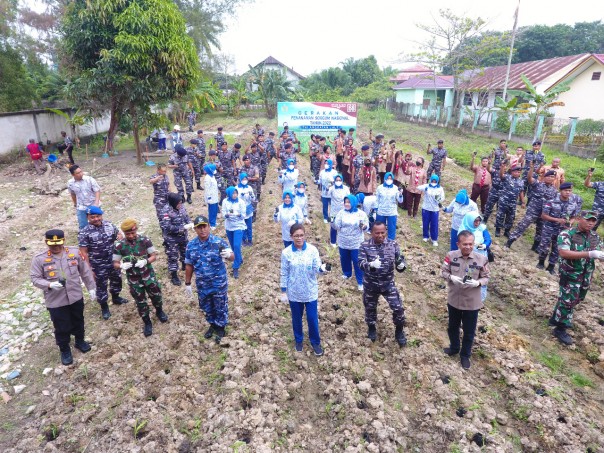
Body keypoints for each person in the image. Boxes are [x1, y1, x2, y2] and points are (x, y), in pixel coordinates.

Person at [30, 229, 96, 365]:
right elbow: (35, 278)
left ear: (63, 241)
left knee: (78, 319)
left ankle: (79, 341)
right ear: (47, 243)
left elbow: (85, 271)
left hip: (75, 295)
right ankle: (64, 349)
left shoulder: (74, 252)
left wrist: (91, 288)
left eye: (59, 244)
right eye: (52, 244)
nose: (56, 247)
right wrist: (49, 284)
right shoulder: (39, 259)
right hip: (56, 301)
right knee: (62, 326)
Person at [548, 211, 603, 345]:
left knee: (577, 298)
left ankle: (556, 318)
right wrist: (589, 254)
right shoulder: (567, 234)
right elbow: (564, 252)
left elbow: (600, 251)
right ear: (579, 219)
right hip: (570, 273)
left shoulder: (595, 236)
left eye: (593, 221)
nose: (590, 223)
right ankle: (560, 328)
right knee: (568, 300)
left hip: (586, 274)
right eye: (587, 220)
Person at [441, 230, 490, 370]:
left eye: (470, 244)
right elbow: (443, 271)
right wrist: (450, 277)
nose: (468, 247)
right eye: (465, 244)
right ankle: (454, 348)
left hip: (471, 302)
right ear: (458, 244)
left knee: (469, 331)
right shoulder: (451, 256)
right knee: (452, 327)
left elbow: (486, 277)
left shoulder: (481, 259)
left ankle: (465, 355)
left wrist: (478, 283)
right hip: (454, 299)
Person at [279, 224, 329, 355]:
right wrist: (283, 290)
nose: (299, 238)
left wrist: (322, 269)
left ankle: (315, 342)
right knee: (297, 318)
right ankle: (299, 340)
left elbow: (316, 267)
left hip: (310, 290)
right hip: (294, 292)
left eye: (301, 235)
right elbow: (284, 272)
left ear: (305, 235)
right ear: (291, 237)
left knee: (312, 318)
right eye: (296, 236)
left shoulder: (312, 250)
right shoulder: (286, 253)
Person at [113, 219, 168, 337]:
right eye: (128, 234)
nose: (131, 236)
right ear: (124, 233)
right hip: (134, 279)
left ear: (136, 230)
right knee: (140, 301)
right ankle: (147, 322)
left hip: (148, 275)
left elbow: (154, 256)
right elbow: (115, 263)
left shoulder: (145, 240)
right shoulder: (119, 245)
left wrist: (146, 261)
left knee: (156, 295)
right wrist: (122, 265)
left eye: (133, 233)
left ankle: (159, 311)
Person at [185, 215, 235, 344]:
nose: (202, 230)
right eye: (199, 228)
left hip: (218, 283)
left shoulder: (219, 242)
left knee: (220, 305)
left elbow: (233, 257)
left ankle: (220, 327)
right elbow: (189, 265)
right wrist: (187, 283)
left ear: (209, 226)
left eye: (204, 226)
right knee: (206, 306)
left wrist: (229, 255)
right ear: (195, 229)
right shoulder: (191, 245)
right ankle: (212, 324)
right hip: (202, 284)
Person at [358, 221, 408, 346]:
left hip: (388, 284)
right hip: (371, 285)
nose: (380, 235)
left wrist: (401, 265)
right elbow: (360, 264)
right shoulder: (364, 246)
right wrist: (370, 265)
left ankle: (399, 331)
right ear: (372, 233)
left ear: (386, 232)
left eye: (382, 232)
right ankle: (371, 327)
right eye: (377, 233)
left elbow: (400, 262)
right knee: (370, 308)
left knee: (398, 308)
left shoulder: (393, 244)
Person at [78, 206, 128, 321]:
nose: (96, 219)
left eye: (98, 216)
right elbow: (83, 253)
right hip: (97, 264)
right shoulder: (84, 232)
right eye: (92, 217)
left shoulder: (109, 225)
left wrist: (120, 236)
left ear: (101, 215)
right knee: (101, 286)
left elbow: (119, 235)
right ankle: (104, 307)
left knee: (117, 280)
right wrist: (89, 269)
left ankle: (116, 297)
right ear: (87, 217)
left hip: (113, 260)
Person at [506, 165, 557, 251]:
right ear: (545, 177)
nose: (551, 178)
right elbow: (529, 178)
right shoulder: (538, 184)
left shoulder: (554, 190)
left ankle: (535, 246)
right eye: (549, 176)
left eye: (553, 177)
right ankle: (510, 241)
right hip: (533, 211)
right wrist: (532, 168)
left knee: (540, 230)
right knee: (522, 226)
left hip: (544, 213)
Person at [537, 182, 583, 274]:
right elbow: (544, 216)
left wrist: (570, 222)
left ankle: (551, 266)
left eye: (570, 191)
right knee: (544, 245)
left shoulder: (573, 204)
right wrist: (557, 220)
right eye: (566, 190)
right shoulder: (551, 201)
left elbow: (573, 216)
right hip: (549, 228)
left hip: (563, 230)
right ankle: (541, 262)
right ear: (561, 191)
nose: (568, 192)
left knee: (557, 248)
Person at [333, 195, 369, 291]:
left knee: (357, 261)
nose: (347, 204)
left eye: (349, 202)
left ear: (353, 203)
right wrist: (334, 222)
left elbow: (366, 226)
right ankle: (347, 273)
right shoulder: (341, 213)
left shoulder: (361, 214)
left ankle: (360, 281)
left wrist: (364, 227)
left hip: (356, 242)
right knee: (344, 258)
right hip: (343, 240)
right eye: (345, 202)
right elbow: (337, 225)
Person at [160, 193, 193, 286]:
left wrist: (190, 223)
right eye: (178, 203)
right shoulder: (165, 211)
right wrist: (182, 228)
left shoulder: (181, 207)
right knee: (173, 256)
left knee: (185, 252)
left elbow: (186, 217)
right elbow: (166, 226)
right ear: (173, 203)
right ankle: (174, 275)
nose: (180, 205)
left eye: (181, 203)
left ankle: (184, 265)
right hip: (171, 239)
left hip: (183, 236)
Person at [458, 212, 492, 302]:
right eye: (475, 221)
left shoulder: (482, 228)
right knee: (468, 274)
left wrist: (485, 245)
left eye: (478, 221)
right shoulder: (464, 231)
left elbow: (488, 238)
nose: (477, 223)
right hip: (469, 257)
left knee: (482, 274)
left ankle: (480, 298)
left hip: (481, 256)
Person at [493, 164, 525, 237]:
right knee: (500, 215)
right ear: (512, 172)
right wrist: (502, 167)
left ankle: (507, 231)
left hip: (513, 202)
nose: (517, 173)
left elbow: (521, 192)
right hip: (504, 200)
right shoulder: (507, 177)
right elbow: (501, 175)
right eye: (516, 172)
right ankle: (498, 229)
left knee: (510, 217)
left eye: (519, 172)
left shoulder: (521, 181)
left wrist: (523, 201)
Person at [222, 186, 247, 278]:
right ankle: (239, 259)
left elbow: (244, 215)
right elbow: (223, 213)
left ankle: (235, 267)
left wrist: (239, 214)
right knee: (233, 246)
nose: (235, 195)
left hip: (239, 225)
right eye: (233, 193)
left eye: (236, 193)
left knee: (237, 245)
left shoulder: (241, 202)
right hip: (229, 226)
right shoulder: (225, 201)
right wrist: (227, 215)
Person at [68, 165, 101, 230]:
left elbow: (97, 190)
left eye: (81, 172)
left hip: (93, 204)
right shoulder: (70, 183)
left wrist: (96, 203)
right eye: (78, 173)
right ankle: (84, 237)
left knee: (97, 222)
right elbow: (73, 194)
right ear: (73, 174)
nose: (81, 174)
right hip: (81, 206)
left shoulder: (89, 179)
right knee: (83, 225)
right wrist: (75, 204)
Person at [417, 174, 445, 247]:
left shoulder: (440, 189)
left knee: (434, 224)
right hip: (426, 208)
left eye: (435, 181)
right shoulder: (427, 186)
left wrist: (437, 198)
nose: (433, 182)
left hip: (435, 209)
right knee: (425, 223)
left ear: (437, 181)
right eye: (432, 180)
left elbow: (442, 198)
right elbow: (419, 187)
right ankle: (425, 236)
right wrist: (425, 189)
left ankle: (434, 239)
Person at [375, 172, 404, 241]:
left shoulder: (395, 188)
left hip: (391, 211)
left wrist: (400, 194)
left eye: (391, 179)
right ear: (385, 179)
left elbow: (400, 201)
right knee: (380, 228)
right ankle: (380, 242)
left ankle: (390, 244)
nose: (389, 180)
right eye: (388, 178)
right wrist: (376, 208)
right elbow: (377, 199)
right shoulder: (380, 188)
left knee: (392, 228)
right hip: (381, 211)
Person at [327, 174, 350, 246]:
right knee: (332, 225)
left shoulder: (346, 188)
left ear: (342, 181)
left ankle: (341, 241)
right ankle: (332, 241)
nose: (338, 181)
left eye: (340, 180)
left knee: (343, 226)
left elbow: (348, 198)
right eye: (336, 180)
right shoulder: (332, 188)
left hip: (343, 211)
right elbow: (326, 196)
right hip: (333, 211)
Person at [237, 173, 256, 247]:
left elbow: (253, 199)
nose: (244, 180)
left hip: (248, 208)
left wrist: (251, 195)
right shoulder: (237, 188)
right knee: (242, 225)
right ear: (240, 179)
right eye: (243, 179)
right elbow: (235, 198)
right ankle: (243, 240)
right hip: (241, 209)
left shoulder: (249, 188)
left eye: (245, 179)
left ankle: (250, 239)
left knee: (249, 226)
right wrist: (240, 196)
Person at [203, 163, 219, 229]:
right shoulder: (207, 178)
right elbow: (207, 189)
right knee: (212, 210)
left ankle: (214, 221)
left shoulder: (212, 176)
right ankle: (212, 224)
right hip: (211, 197)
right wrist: (209, 197)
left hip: (215, 196)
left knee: (215, 210)